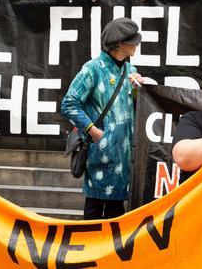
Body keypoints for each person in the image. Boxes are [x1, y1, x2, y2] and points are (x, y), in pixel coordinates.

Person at [61, 17, 145, 220]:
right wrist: (91, 129)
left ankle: (111, 252)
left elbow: (134, 106)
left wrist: (138, 91)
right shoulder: (93, 68)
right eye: (132, 40)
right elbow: (69, 103)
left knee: (116, 213)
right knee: (94, 210)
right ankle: (89, 250)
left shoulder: (129, 70)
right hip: (99, 152)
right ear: (119, 44)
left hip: (124, 155)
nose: (137, 44)